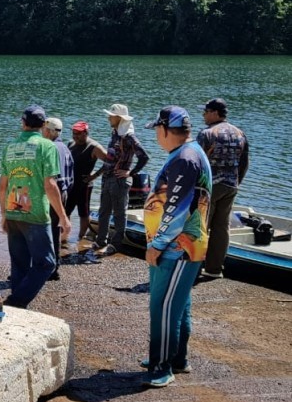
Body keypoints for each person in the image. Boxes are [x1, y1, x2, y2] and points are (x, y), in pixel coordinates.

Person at [141, 106, 212, 387]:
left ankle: (162, 366)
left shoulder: (185, 158)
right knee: (179, 305)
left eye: (157, 130)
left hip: (176, 248)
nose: (156, 136)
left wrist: (156, 245)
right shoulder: (188, 153)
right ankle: (177, 358)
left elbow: (177, 209)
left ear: (166, 129)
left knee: (164, 306)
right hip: (182, 246)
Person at [0, 105, 71, 308]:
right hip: (36, 213)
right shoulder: (47, 146)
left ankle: (18, 307)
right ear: (43, 125)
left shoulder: (9, 147)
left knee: (19, 264)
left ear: (23, 123)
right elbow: (50, 185)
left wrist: (3, 215)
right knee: (46, 263)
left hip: (13, 211)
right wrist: (63, 218)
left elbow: (2, 186)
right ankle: (16, 302)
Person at [196, 98, 249, 279]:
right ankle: (214, 269)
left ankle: (193, 268)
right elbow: (244, 162)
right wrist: (237, 182)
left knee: (201, 226)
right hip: (231, 185)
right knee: (221, 227)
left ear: (215, 113)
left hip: (210, 186)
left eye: (206, 111)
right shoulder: (240, 133)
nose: (203, 114)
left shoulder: (207, 134)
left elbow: (197, 162)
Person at [91, 103, 149, 256]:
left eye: (111, 115)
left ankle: (115, 244)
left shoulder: (129, 137)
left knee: (119, 214)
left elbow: (144, 156)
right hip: (107, 179)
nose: (109, 117)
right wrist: (96, 176)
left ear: (119, 118)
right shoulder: (115, 133)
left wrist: (130, 172)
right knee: (104, 212)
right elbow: (109, 159)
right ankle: (101, 240)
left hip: (119, 181)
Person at [41, 117, 74, 280]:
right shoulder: (66, 148)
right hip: (65, 191)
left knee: (47, 229)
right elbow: (71, 175)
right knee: (55, 228)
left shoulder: (51, 147)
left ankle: (49, 268)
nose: (42, 132)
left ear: (49, 131)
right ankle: (55, 267)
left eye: (43, 130)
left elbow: (51, 178)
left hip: (54, 191)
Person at [65, 121, 107, 243]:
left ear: (86, 133)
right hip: (71, 183)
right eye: (73, 133)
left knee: (83, 213)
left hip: (85, 185)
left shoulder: (94, 146)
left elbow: (109, 161)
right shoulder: (71, 144)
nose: (75, 136)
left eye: (78, 133)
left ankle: (81, 237)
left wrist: (95, 175)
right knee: (66, 210)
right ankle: (65, 236)